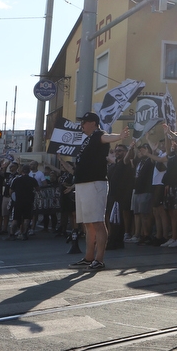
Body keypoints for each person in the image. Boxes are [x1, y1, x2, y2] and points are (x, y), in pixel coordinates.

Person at [69, 112, 133, 271]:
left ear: (93, 123)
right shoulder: (87, 139)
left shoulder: (99, 134)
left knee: (97, 221)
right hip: (83, 184)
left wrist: (119, 136)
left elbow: (107, 137)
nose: (82, 125)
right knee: (88, 223)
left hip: (95, 184)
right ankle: (88, 257)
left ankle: (99, 259)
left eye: (84, 122)